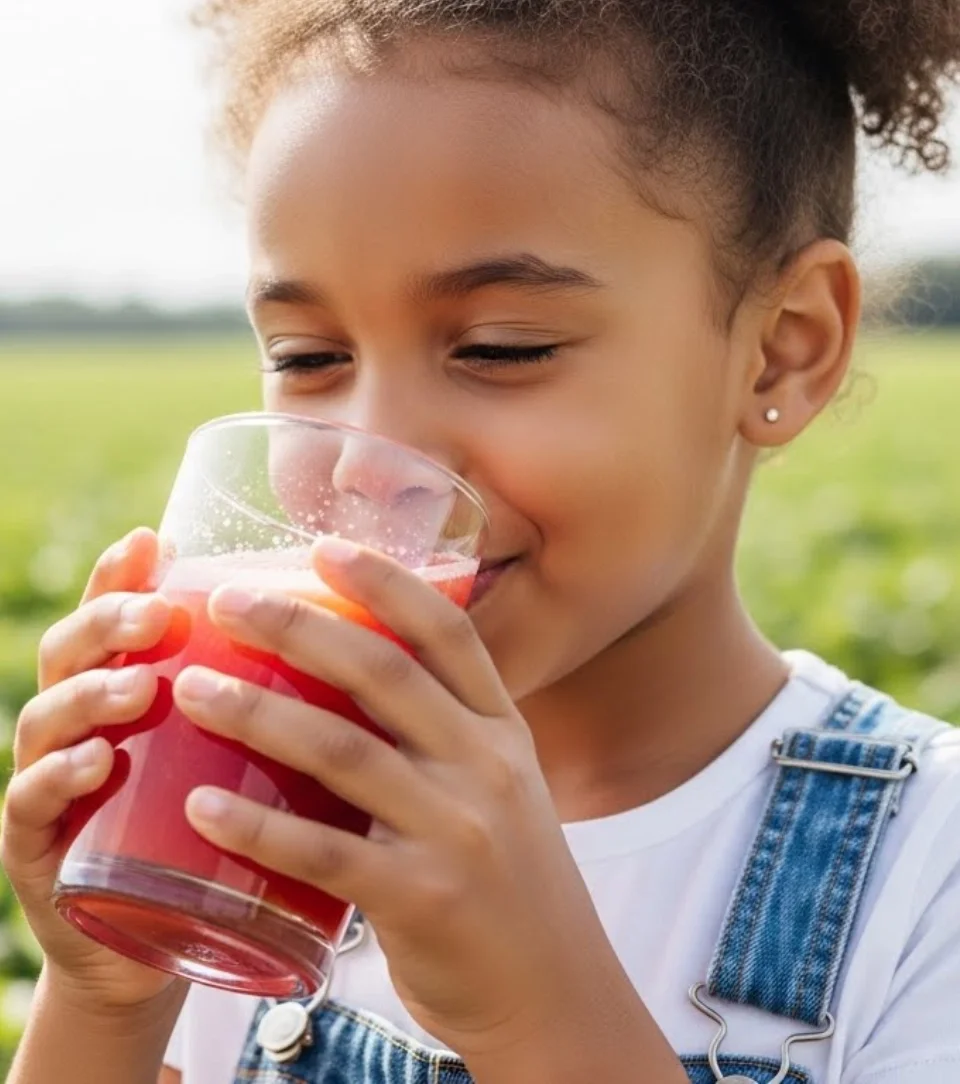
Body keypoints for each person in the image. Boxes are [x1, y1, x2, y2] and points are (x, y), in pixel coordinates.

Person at [5, 1, 960, 1082]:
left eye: (503, 349)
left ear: (782, 351)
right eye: (309, 356)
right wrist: (105, 1000)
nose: (367, 459)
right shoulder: (253, 822)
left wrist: (537, 1017)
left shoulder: (926, 873)